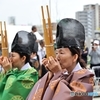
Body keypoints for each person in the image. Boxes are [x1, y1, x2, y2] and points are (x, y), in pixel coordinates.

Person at [27, 18, 94, 100]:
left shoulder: (86, 76)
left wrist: (58, 73)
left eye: (61, 53)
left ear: (74, 57)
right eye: (56, 53)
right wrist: (51, 74)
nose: (57, 57)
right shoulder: (61, 74)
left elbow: (73, 96)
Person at [0, 31, 38, 100]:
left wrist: (8, 71)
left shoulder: (32, 74)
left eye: (13, 56)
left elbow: (13, 89)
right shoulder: (14, 70)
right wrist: (5, 71)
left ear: (23, 58)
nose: (10, 59)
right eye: (10, 56)